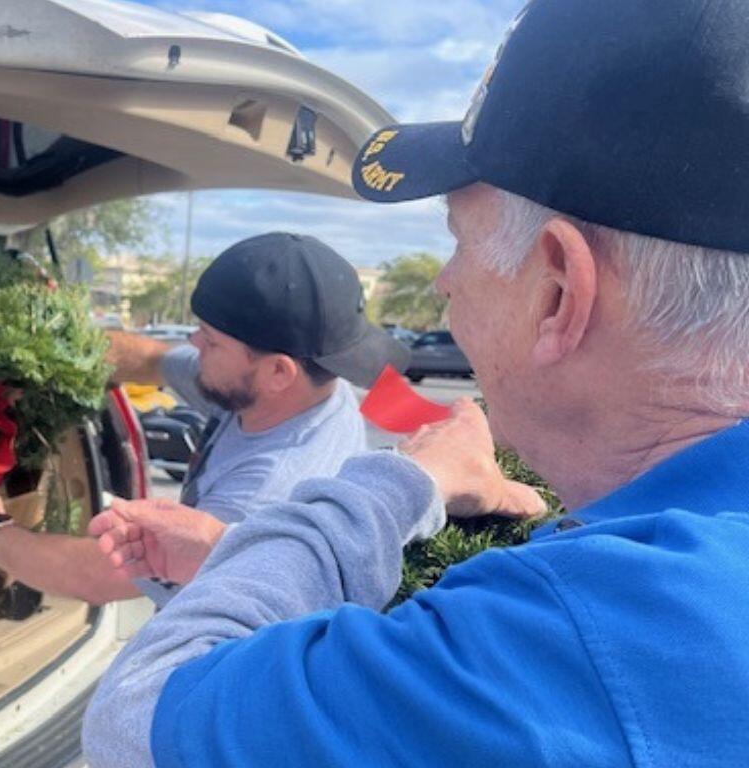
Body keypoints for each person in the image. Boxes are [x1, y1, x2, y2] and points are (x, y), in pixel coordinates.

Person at [82, 0, 749, 765]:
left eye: (457, 240)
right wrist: (247, 563)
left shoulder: (578, 636)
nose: (442, 281)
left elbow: (137, 715)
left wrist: (406, 482)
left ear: (559, 292)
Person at [0, 233, 411, 607]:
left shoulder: (263, 495)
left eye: (210, 342)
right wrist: (39, 355)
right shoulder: (296, 388)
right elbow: (151, 359)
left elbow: (97, 575)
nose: (193, 342)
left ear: (278, 371)